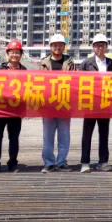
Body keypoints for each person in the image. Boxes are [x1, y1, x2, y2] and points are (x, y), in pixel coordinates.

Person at [37, 33, 75, 172]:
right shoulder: (43, 63)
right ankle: (48, 163)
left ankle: (61, 162)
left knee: (64, 135)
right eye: (55, 45)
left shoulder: (70, 63)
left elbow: (75, 83)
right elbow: (38, 83)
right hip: (48, 105)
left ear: (64, 47)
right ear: (50, 47)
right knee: (48, 136)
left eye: (60, 45)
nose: (57, 47)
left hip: (64, 104)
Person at [80, 33, 112, 172]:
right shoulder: (86, 63)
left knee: (104, 133)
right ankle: (85, 162)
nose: (100, 48)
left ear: (106, 47)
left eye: (102, 45)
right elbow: (78, 82)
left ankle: (103, 161)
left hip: (105, 103)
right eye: (97, 45)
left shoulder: (111, 63)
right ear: (93, 47)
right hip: (90, 104)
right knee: (87, 134)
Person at [0, 40, 26, 173]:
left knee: (14, 138)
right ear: (7, 54)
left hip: (16, 110)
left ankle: (13, 162)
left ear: (21, 55)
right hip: (0, 109)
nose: (14, 55)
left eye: (17, 53)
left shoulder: (25, 71)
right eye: (12, 52)